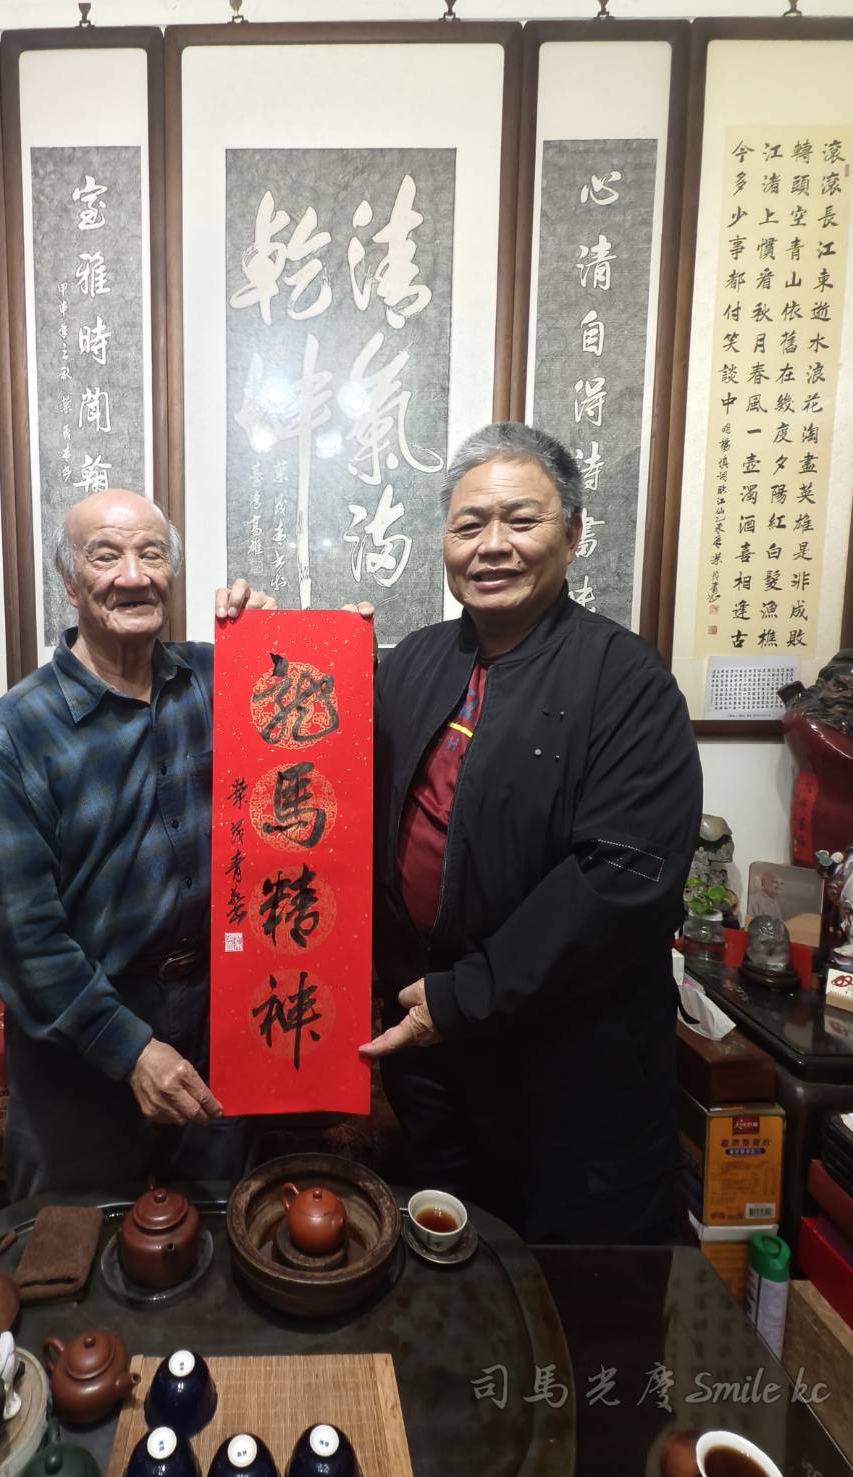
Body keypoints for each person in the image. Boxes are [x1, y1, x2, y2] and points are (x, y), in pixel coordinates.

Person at [360, 422, 702, 1244]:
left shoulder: (626, 681)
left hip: (570, 1071)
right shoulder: (412, 662)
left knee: (574, 1293)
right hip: (432, 1059)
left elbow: (620, 881)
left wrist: (463, 995)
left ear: (573, 534)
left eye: (521, 520)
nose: (493, 545)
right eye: (469, 524)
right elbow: (328, 792)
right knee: (448, 1275)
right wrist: (270, 641)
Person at [0, 488, 274, 1199]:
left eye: (152, 554)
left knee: (218, 1231)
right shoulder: (20, 731)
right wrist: (130, 1049)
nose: (133, 575)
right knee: (72, 1247)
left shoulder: (219, 680)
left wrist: (279, 638)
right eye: (106, 556)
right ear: (71, 583)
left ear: (171, 574)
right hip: (81, 1040)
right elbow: (18, 938)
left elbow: (321, 724)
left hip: (218, 1018)